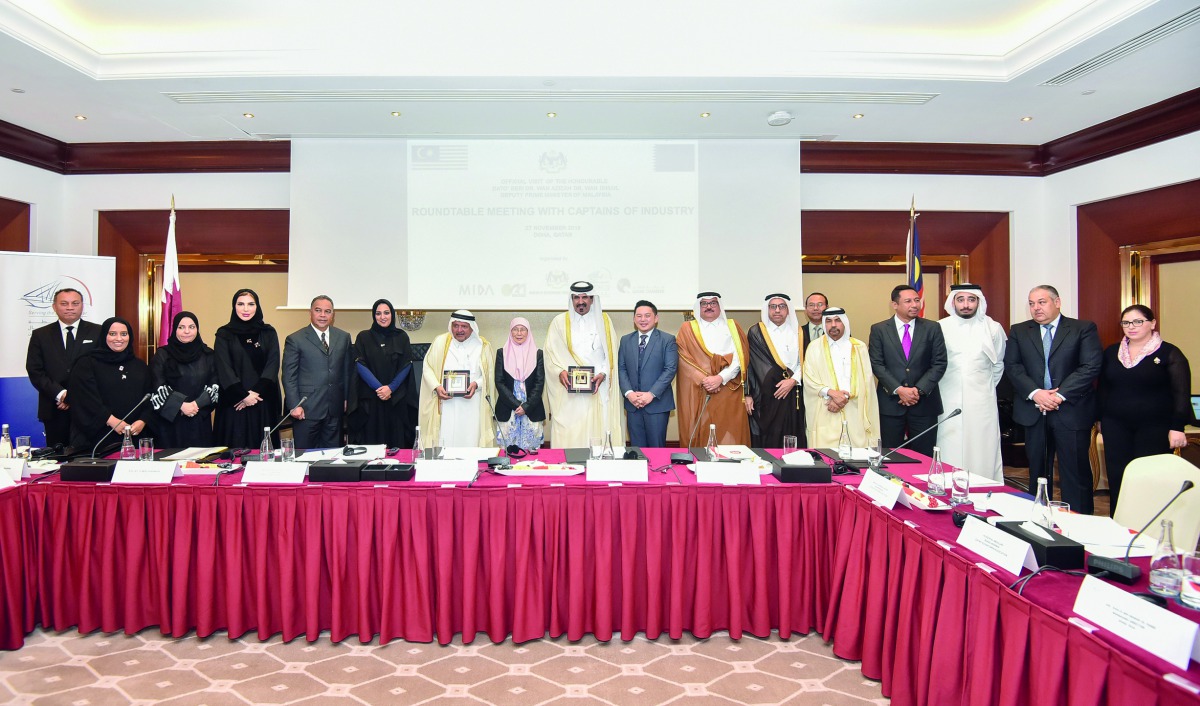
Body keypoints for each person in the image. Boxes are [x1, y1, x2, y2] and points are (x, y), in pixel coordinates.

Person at [1005, 285, 1102, 514]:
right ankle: (1037, 519)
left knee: (1074, 471)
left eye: (1042, 302)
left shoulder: (1082, 328)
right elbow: (1013, 366)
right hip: (1034, 410)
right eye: (1031, 303)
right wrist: (1036, 393)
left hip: (1071, 410)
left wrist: (1059, 395)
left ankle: (1077, 524)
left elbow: (1090, 366)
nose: (1036, 308)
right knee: (1038, 472)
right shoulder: (1019, 331)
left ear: (1057, 302)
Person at [1098, 304, 1192, 511]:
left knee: (1149, 478)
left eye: (1138, 321)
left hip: (1155, 427)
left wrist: (1178, 427)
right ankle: (1119, 522)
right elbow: (1103, 389)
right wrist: (1101, 419)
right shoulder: (1112, 352)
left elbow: (1181, 393)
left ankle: (1148, 525)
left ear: (1152, 323)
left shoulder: (1169, 353)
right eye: (1126, 323)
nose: (1131, 327)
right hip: (1116, 425)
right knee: (1118, 476)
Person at [937, 285, 1007, 480]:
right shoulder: (940, 327)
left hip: (981, 400)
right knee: (949, 444)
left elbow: (998, 364)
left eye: (971, 299)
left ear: (979, 302)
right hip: (947, 397)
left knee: (981, 446)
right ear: (953, 302)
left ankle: (983, 486)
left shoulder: (993, 328)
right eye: (961, 300)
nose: (966, 305)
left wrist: (982, 387)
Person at [543, 282, 625, 448]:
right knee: (571, 431)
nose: (580, 302)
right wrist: (559, 371)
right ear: (571, 299)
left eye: (585, 297)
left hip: (597, 387)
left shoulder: (604, 321)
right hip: (569, 392)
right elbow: (550, 354)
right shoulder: (559, 322)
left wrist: (603, 373)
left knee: (597, 431)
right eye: (576, 298)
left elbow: (611, 353)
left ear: (592, 299)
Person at [868, 285, 947, 457]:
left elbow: (939, 363)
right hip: (890, 404)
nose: (915, 305)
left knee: (924, 456)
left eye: (917, 300)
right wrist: (899, 390)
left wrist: (917, 391)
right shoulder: (879, 329)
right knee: (890, 456)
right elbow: (876, 364)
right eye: (908, 301)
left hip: (924, 404)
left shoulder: (932, 327)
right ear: (895, 305)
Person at [25, 288, 102, 447]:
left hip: (89, 408)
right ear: (54, 307)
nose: (70, 308)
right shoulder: (40, 335)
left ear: (82, 305)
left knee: (89, 456)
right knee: (57, 456)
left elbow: (102, 369)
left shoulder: (98, 332)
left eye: (75, 303)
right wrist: (61, 394)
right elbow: (35, 371)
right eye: (64, 303)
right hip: (54, 408)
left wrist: (73, 396)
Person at [675, 292, 751, 446]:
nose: (708, 306)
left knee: (730, 432)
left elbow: (740, 357)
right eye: (704, 303)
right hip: (700, 390)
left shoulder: (732, 326)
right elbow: (684, 360)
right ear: (698, 307)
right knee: (702, 433)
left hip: (729, 388)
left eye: (713, 303)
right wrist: (707, 381)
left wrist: (720, 378)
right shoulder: (687, 328)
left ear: (719, 306)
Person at [67, 317, 153, 453]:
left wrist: (143, 420)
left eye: (124, 334)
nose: (119, 338)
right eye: (112, 334)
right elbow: (84, 399)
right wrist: (111, 420)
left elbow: (150, 396)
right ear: (104, 335)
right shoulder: (87, 364)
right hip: (99, 437)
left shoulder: (140, 365)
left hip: (135, 436)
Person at [213, 289, 282, 449]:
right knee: (234, 450)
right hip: (234, 403)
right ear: (234, 306)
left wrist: (254, 394)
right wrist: (243, 396)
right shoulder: (224, 334)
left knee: (263, 450)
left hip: (262, 401)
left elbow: (273, 365)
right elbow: (223, 368)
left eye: (251, 304)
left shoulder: (268, 332)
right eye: (241, 304)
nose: (245, 309)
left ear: (257, 306)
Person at [282, 295, 353, 448]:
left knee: (333, 456)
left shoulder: (344, 337)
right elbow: (289, 376)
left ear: (333, 314)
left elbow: (347, 372)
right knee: (305, 456)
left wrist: (346, 398)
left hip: (334, 409)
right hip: (306, 410)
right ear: (310, 312)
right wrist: (294, 404)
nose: (322, 315)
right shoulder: (295, 339)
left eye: (327, 311)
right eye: (318, 310)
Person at [803, 308, 879, 447]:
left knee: (856, 451)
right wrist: (831, 393)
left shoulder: (859, 347)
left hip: (854, 408)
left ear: (845, 322)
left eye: (837, 320)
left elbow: (866, 381)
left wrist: (843, 398)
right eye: (828, 321)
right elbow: (809, 379)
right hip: (826, 407)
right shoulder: (814, 347)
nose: (833, 325)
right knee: (826, 453)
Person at [419, 310, 496, 447]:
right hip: (446, 403)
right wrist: (437, 386)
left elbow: (489, 374)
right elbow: (427, 367)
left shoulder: (482, 346)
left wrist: (476, 384)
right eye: (456, 326)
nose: (459, 330)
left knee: (471, 439)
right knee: (446, 439)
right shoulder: (440, 342)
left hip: (473, 403)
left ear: (472, 327)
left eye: (464, 326)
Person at [348, 299, 414, 447]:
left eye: (386, 313)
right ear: (373, 315)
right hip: (371, 399)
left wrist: (390, 388)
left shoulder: (402, 337)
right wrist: (380, 389)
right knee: (372, 442)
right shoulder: (363, 337)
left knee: (397, 442)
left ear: (392, 314)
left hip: (395, 399)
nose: (382, 317)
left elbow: (406, 365)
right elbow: (360, 365)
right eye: (378, 313)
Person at [150, 311, 220, 447]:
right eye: (181, 327)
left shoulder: (208, 354)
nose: (186, 331)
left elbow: (215, 384)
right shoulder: (162, 355)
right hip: (170, 422)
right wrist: (181, 405)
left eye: (191, 327)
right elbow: (157, 384)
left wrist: (196, 405)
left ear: (197, 329)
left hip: (199, 419)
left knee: (200, 458)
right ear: (174, 329)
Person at [746, 293, 806, 447]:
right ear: (767, 310)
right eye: (773, 307)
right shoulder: (756, 332)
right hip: (764, 395)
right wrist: (748, 394)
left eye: (782, 306)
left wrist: (793, 380)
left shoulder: (799, 332)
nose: (777, 310)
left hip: (792, 392)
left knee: (790, 432)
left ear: (788, 309)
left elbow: (805, 362)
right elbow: (750, 365)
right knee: (767, 438)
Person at [617, 300, 677, 448]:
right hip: (633, 404)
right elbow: (621, 368)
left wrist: (650, 394)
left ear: (656, 318)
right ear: (634, 319)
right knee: (636, 450)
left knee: (657, 448)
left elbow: (670, 369)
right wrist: (629, 394)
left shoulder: (667, 340)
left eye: (647, 316)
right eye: (639, 316)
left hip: (657, 404)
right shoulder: (625, 340)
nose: (643, 319)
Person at [495, 317, 546, 452]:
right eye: (515, 329)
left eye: (522, 330)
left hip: (531, 408)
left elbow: (539, 383)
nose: (519, 333)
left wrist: (526, 406)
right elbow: (499, 382)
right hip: (508, 408)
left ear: (528, 332)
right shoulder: (501, 353)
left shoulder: (538, 354)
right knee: (507, 452)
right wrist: (517, 405)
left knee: (532, 452)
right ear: (510, 332)